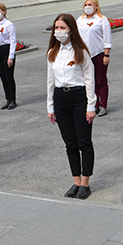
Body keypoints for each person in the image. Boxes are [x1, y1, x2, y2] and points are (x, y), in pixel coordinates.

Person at [47, 14, 96, 199]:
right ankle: (75, 181)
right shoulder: (52, 52)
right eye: (56, 28)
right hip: (61, 98)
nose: (59, 31)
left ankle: (85, 182)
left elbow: (89, 80)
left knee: (84, 142)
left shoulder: (81, 51)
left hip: (79, 97)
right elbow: (50, 82)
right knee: (70, 144)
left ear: (71, 29)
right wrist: (50, 107)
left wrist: (91, 105)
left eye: (62, 28)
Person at [77, 0, 111, 116]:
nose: (87, 7)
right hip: (84, 55)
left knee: (100, 80)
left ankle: (103, 105)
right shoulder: (80, 20)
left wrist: (106, 55)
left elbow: (107, 39)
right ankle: (94, 104)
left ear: (96, 6)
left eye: (90, 4)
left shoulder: (102, 20)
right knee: (89, 81)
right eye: (85, 4)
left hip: (98, 54)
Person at [0, 3, 17, 110]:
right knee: (3, 78)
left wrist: (11, 56)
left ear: (4, 12)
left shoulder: (9, 24)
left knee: (9, 77)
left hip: (6, 50)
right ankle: (8, 99)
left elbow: (13, 41)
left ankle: (13, 100)